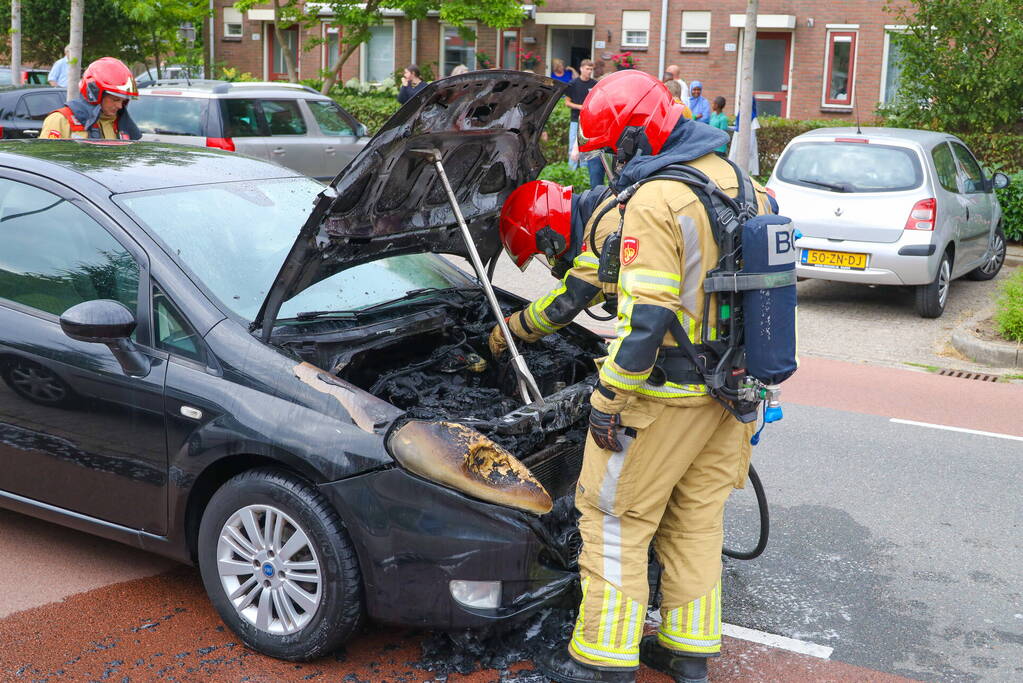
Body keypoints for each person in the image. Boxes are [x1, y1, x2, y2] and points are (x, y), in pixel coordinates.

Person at [496, 70, 771, 683]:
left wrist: (608, 398)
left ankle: (604, 662)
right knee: (696, 520)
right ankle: (688, 654)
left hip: (663, 398)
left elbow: (646, 321)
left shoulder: (652, 202)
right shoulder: (743, 184)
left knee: (613, 519)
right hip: (733, 394)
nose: (610, 161)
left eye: (612, 147)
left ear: (635, 135)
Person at [39, 57, 141, 140]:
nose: (119, 106)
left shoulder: (121, 124)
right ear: (95, 93)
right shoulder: (60, 120)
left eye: (123, 101)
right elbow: (45, 161)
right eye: (115, 99)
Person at [564, 59, 605, 187]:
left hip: (590, 122)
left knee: (586, 146)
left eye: (591, 69)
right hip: (576, 119)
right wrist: (581, 107)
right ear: (581, 68)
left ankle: (583, 173)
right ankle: (571, 174)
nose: (589, 71)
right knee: (573, 146)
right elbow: (567, 102)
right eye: (587, 69)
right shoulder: (573, 84)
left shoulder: (594, 84)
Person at [728, 98, 760, 175]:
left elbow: (751, 141)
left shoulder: (752, 118)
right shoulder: (741, 114)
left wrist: (745, 153)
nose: (740, 102)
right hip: (737, 147)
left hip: (745, 153)